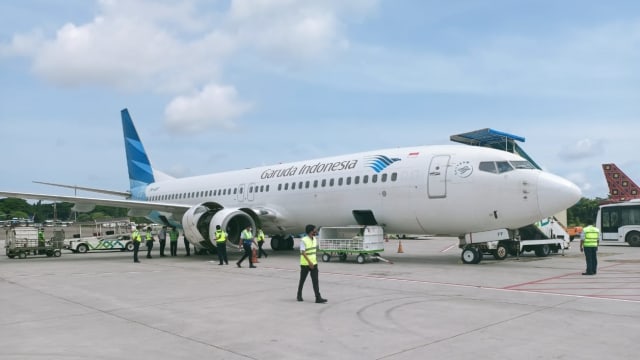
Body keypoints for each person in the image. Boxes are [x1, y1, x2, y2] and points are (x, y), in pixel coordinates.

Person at [297, 224, 327, 303]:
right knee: (302, 280)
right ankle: (299, 295)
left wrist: (313, 262)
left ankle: (318, 297)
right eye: (314, 230)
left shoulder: (314, 239)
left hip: (314, 264)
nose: (316, 231)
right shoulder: (303, 240)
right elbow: (303, 252)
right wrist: (309, 262)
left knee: (315, 281)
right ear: (311, 231)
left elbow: (313, 252)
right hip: (305, 264)